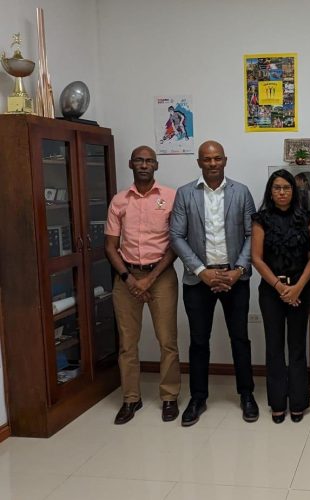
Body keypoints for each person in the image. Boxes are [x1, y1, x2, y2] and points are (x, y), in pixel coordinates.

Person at [169, 140, 258, 426]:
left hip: (235, 277)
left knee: (240, 338)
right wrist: (201, 271)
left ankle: (246, 395)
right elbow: (177, 237)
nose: (212, 164)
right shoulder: (185, 194)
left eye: (217, 159)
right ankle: (198, 398)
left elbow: (250, 235)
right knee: (198, 341)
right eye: (207, 159)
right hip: (199, 280)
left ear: (225, 160)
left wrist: (239, 269)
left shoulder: (241, 192)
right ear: (199, 162)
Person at [105, 146, 180, 424]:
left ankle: (169, 397)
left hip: (161, 276)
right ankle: (130, 399)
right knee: (127, 343)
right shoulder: (119, 201)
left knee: (167, 341)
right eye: (139, 160)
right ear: (130, 163)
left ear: (156, 166)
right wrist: (129, 279)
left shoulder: (171, 197)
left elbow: (176, 243)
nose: (144, 165)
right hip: (127, 277)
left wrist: (149, 278)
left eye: (149, 161)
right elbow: (111, 247)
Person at [251, 170, 310, 423]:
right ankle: (278, 402)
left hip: (300, 290)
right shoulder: (261, 219)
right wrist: (281, 290)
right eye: (277, 187)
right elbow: (256, 258)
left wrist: (298, 287)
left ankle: (298, 401)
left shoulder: (306, 218)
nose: (282, 192)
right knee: (275, 347)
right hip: (272, 292)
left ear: (294, 190)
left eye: (287, 187)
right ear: (270, 191)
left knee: (298, 346)